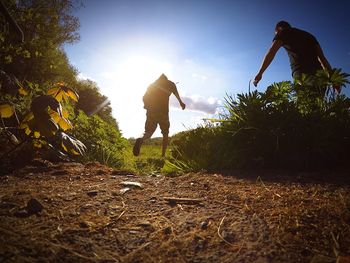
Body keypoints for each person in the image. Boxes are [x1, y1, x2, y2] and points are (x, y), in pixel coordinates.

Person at [253, 21, 336, 90]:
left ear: (279, 29)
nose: (276, 35)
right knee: (318, 105)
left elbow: (271, 52)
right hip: (320, 74)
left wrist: (260, 73)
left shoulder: (283, 32)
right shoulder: (310, 36)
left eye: (276, 33)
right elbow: (321, 58)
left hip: (301, 73)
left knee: (305, 105)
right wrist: (333, 79)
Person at [133, 74, 186, 157]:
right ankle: (163, 155)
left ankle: (140, 139)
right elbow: (176, 93)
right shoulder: (170, 84)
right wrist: (180, 102)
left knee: (148, 132)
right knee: (165, 132)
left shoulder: (152, 85)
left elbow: (144, 97)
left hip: (151, 111)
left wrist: (146, 106)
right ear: (165, 79)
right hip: (163, 112)